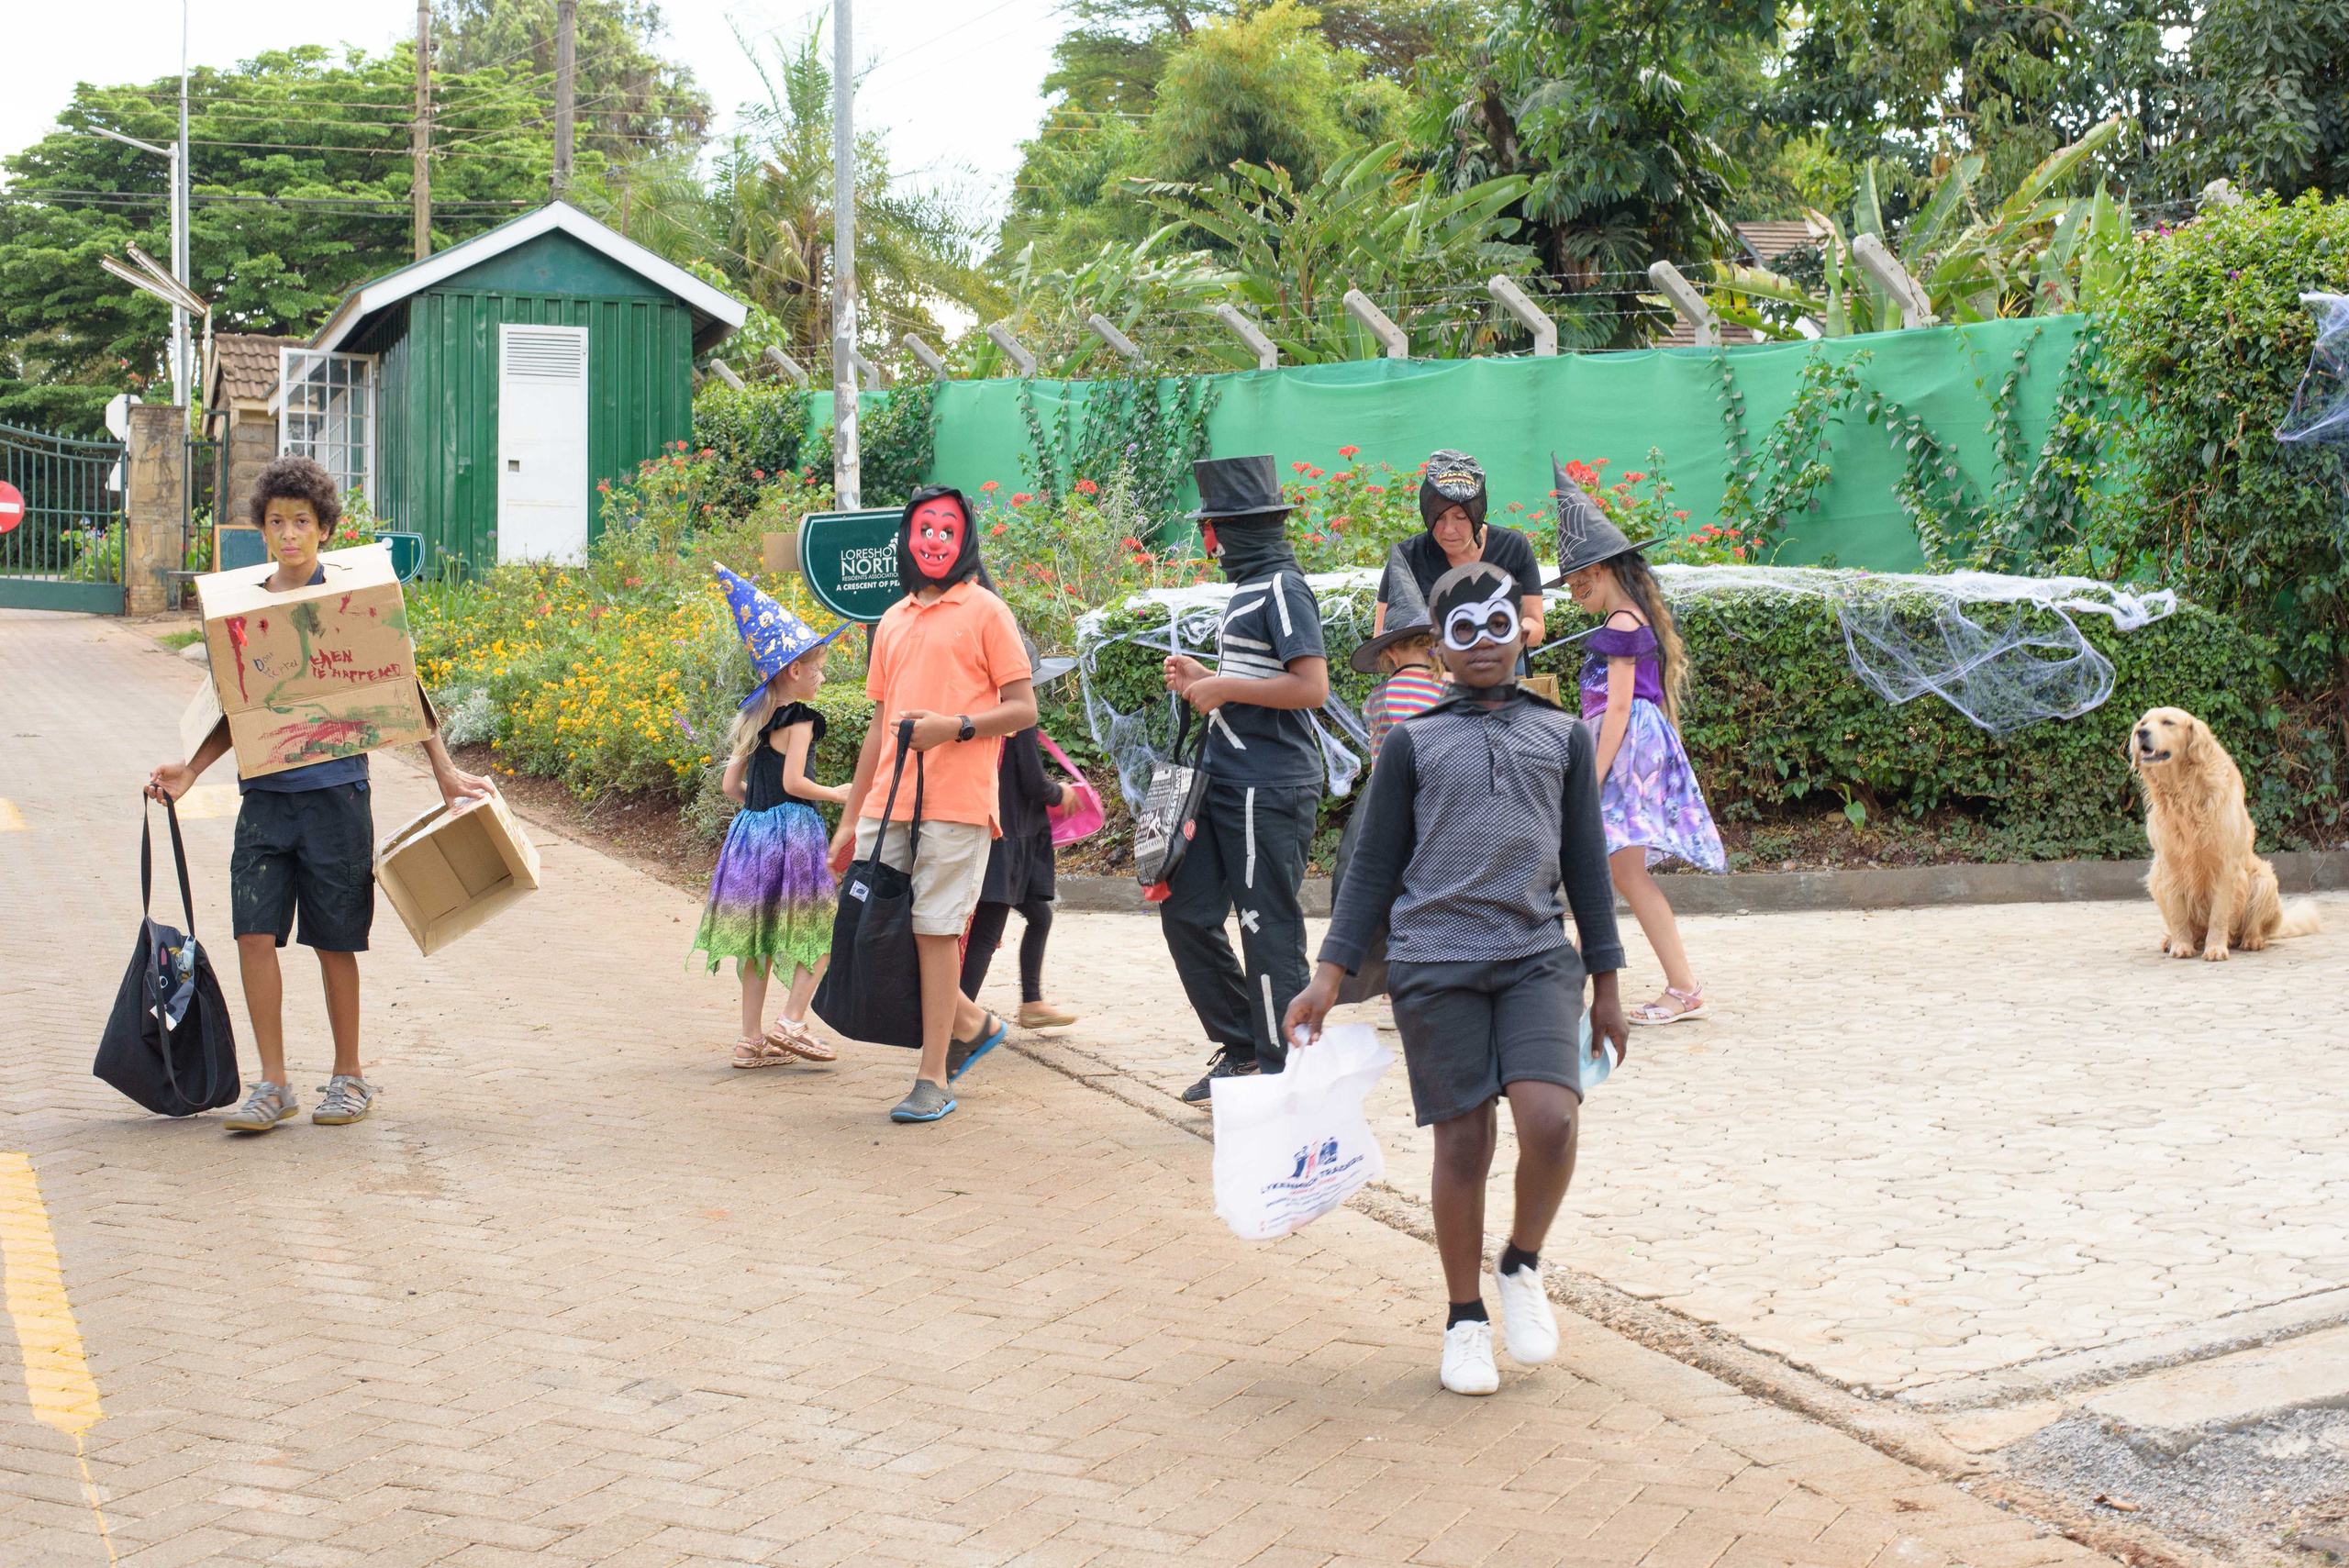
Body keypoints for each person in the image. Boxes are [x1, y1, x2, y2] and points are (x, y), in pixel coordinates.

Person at [1286, 560, 1629, 1396]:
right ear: (1438, 647)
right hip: (1434, 961)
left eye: (1498, 627)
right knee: (1465, 1140)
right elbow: (1370, 871)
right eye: (1463, 632)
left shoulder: (1561, 736)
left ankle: (1520, 1261)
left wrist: (1609, 981)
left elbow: (1586, 864)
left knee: (1550, 1120)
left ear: (1522, 632)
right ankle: (1465, 1316)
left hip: (1535, 956)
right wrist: (1327, 977)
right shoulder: (1413, 742)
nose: (1483, 645)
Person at [144, 456, 493, 1132]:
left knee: (335, 940)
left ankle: (349, 1075)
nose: (289, 534)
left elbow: (399, 688)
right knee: (252, 934)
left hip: (337, 796)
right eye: (277, 523)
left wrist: (444, 771)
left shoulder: (353, 600)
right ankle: (272, 1083)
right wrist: (190, 770)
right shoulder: (244, 608)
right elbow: (236, 707)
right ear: (264, 530)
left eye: (302, 521)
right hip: (266, 802)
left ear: (325, 528)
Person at [829, 485, 1035, 1124]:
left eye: (949, 528)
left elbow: (1024, 707)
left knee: (935, 930)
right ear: (907, 538)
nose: (936, 539)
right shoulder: (891, 620)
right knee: (879, 926)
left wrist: (957, 726)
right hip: (888, 804)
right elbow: (876, 725)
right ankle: (972, 1023)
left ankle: (933, 1076)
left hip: (956, 802)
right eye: (926, 528)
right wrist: (847, 816)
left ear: (964, 537)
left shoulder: (986, 610)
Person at [1159, 453, 1331, 1106]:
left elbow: (1310, 686)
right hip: (1227, 779)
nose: (1207, 542)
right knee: (1187, 911)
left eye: (1214, 528)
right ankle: (1243, 1045)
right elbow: (1262, 684)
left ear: (1239, 528)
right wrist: (1206, 676)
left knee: (1268, 927)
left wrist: (1224, 685)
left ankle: (1285, 1072)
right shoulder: (1249, 591)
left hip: (1270, 784)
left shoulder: (1284, 587)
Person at [1547, 456, 1725, 1024]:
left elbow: (1619, 705)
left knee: (1609, 869)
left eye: (1578, 581)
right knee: (1617, 871)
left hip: (1623, 752)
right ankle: (1659, 985)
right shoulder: (1627, 621)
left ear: (1602, 573)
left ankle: (1662, 986)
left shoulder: (1620, 627)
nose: (1574, 592)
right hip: (1630, 747)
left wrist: (1591, 775)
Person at [693, 564, 853, 1068]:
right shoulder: (800, 718)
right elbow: (794, 783)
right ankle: (793, 1021)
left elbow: (729, 787)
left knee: (758, 935)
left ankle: (750, 1041)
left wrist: (758, 816)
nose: (823, 676)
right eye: (819, 667)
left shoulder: (753, 716)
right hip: (793, 832)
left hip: (752, 834)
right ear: (795, 670)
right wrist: (839, 793)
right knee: (824, 926)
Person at [959, 646, 1084, 1029]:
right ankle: (955, 1020)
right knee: (986, 931)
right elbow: (1032, 780)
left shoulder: (980, 712)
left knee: (1038, 915)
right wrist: (1060, 793)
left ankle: (1031, 1002)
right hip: (1010, 837)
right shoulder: (1019, 718)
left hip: (1001, 831)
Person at [1374, 450, 1546, 651]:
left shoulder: (1513, 547)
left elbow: (1536, 629)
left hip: (1502, 670)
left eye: (1460, 518)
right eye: (1439, 518)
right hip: (1432, 676)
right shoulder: (1407, 558)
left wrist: (1494, 629)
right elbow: (1382, 638)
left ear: (1476, 515)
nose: (1449, 530)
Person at [1353, 542, 1448, 755]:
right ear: (1433, 643)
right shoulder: (1449, 691)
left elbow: (1376, 754)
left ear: (1390, 651)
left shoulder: (1376, 698)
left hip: (1390, 787)